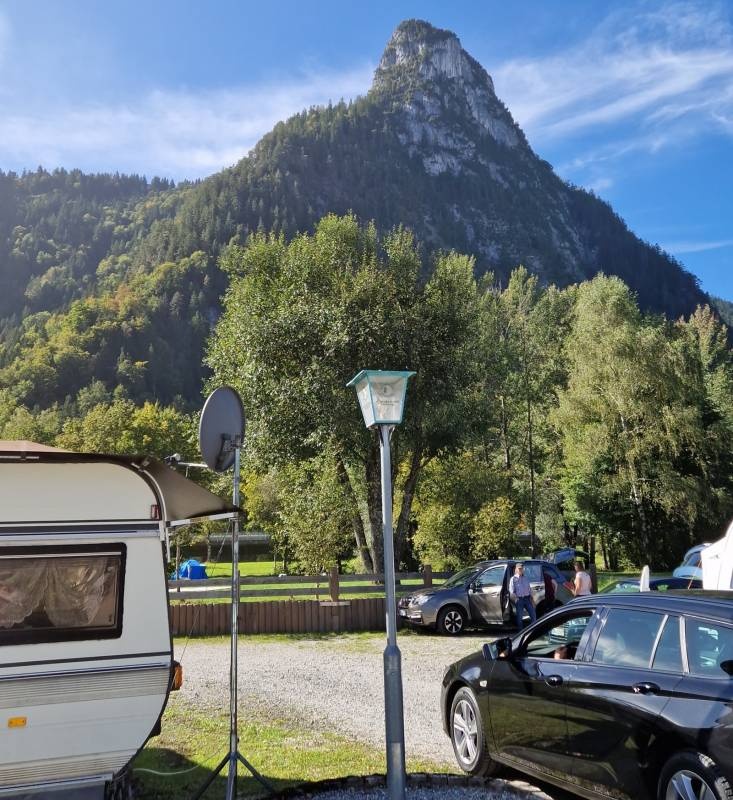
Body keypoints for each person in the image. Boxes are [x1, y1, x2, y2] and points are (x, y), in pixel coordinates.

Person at [509, 563, 536, 630]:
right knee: (519, 618)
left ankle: (533, 630)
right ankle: (520, 633)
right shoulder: (513, 579)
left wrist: (532, 599)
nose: (521, 570)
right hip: (519, 599)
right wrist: (516, 599)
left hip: (527, 599)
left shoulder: (526, 578)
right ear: (516, 569)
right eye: (519, 569)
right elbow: (511, 591)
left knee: (533, 615)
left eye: (522, 569)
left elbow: (529, 589)